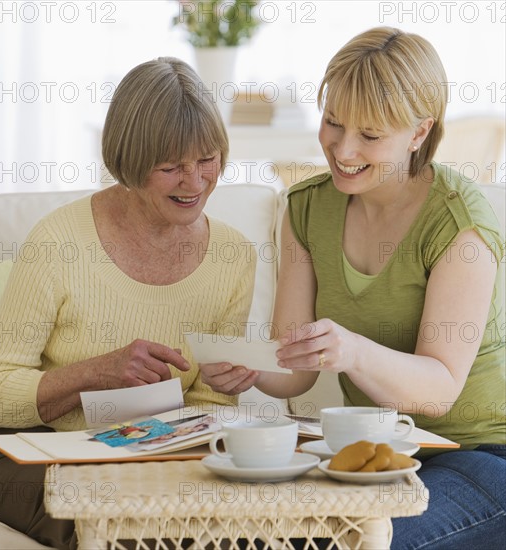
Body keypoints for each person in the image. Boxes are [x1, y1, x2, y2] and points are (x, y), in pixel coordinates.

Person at [201, 27, 505, 548]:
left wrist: (354, 352)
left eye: (370, 135)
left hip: (476, 454)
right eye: (333, 123)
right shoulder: (307, 208)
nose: (342, 149)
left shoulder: (459, 223)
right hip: (367, 453)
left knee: (359, 543)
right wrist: (254, 369)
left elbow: (439, 389)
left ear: (418, 132)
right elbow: (294, 371)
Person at [0, 57, 256, 549]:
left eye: (207, 159)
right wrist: (93, 373)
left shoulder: (233, 255)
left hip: (142, 454)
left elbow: (211, 403)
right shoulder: (58, 241)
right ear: (128, 162)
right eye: (170, 168)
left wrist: (220, 403)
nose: (194, 183)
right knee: (121, 524)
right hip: (29, 449)